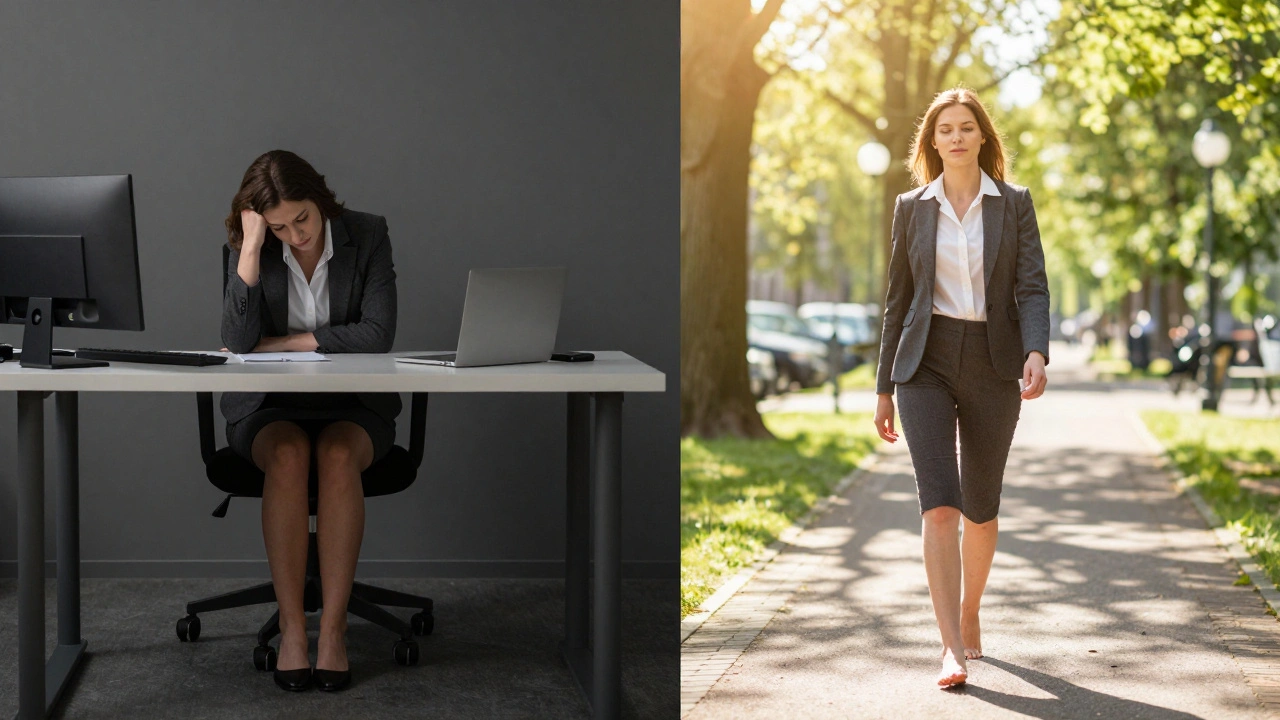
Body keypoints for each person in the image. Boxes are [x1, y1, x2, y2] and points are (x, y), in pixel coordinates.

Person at [872, 88, 1050, 688]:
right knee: (940, 505)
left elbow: (1033, 286)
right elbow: (898, 300)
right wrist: (883, 387)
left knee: (980, 505)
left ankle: (972, 607)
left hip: (994, 361)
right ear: (932, 140)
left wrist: (1035, 350)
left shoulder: (1014, 203)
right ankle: (949, 645)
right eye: (944, 128)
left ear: (982, 137)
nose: (955, 137)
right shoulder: (911, 207)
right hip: (924, 360)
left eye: (966, 127)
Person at [221, 149, 401, 692]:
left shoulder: (367, 234)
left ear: (320, 200)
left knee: (338, 455)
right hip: (269, 407)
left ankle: (334, 632)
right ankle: (295, 631)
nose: (296, 235)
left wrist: (290, 341)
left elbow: (377, 334)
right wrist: (251, 247)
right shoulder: (252, 246)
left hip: (353, 405)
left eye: (302, 218)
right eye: (279, 227)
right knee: (288, 454)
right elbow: (238, 341)